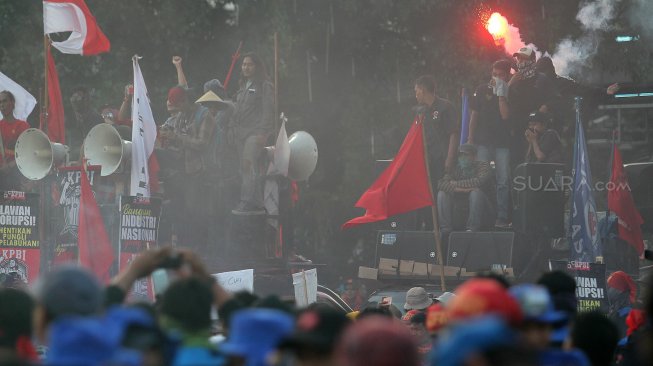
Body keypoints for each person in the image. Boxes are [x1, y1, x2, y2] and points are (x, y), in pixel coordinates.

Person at [159, 86, 217, 250]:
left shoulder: (205, 116)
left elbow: (202, 144)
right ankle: (184, 246)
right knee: (180, 208)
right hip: (182, 168)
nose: (176, 110)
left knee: (195, 211)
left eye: (178, 105)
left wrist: (176, 137)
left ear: (185, 101)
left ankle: (200, 248)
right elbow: (177, 138)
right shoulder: (182, 116)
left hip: (199, 169)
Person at [468, 59, 513, 228]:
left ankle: (501, 217)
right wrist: (470, 139)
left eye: (501, 75)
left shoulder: (510, 91)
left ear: (507, 75)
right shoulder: (481, 89)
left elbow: (506, 116)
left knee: (503, 180)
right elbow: (474, 116)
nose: (497, 77)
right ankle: (480, 217)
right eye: (494, 74)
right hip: (482, 142)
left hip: (502, 142)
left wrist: (501, 94)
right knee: (481, 178)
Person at [231, 52, 275, 215]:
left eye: (249, 64)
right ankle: (255, 202)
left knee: (248, 165)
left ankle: (247, 201)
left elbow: (268, 111)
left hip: (255, 134)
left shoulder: (264, 85)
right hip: (240, 134)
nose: (246, 67)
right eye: (243, 64)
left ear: (257, 66)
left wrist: (263, 133)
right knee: (244, 168)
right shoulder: (243, 85)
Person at [508, 47, 555, 165]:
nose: (520, 61)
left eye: (524, 59)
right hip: (517, 131)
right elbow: (503, 101)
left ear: (532, 60)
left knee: (535, 163)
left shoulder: (542, 79)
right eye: (518, 58)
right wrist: (509, 84)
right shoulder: (513, 80)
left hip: (537, 130)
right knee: (516, 162)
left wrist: (546, 106)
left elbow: (555, 99)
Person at [436, 143, 493, 234]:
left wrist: (455, 184)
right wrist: (462, 190)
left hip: (484, 211)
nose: (462, 158)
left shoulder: (483, 166)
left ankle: (472, 229)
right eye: (460, 155)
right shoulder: (456, 169)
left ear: (474, 156)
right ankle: (445, 230)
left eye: (466, 155)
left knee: (476, 193)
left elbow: (477, 181)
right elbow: (441, 184)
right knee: (442, 193)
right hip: (460, 212)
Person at [414, 75, 459, 181]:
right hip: (428, 161)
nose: (415, 95)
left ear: (423, 90)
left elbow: (454, 134)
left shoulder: (445, 106)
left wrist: (449, 159)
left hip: (443, 159)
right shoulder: (420, 111)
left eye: (416, 91)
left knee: (443, 191)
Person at [0, 90, 30, 191]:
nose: (2, 105)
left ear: (12, 103)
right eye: (0, 102)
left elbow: (27, 153)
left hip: (17, 176)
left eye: (4, 101)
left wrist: (10, 165)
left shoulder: (22, 126)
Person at [69, 86, 103, 159]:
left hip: (92, 157)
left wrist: (79, 163)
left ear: (86, 100)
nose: (76, 101)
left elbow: (88, 142)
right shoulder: (70, 118)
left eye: (79, 98)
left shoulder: (95, 117)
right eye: (73, 98)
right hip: (72, 157)